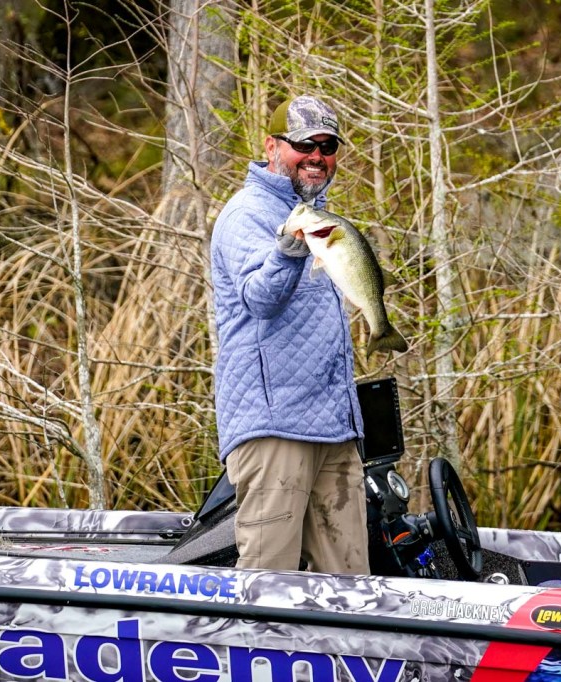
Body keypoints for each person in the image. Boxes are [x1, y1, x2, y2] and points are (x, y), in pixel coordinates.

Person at [209, 94, 369, 574]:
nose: (317, 156)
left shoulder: (319, 215)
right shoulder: (246, 213)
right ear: (272, 147)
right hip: (274, 428)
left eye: (328, 146)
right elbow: (260, 299)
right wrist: (290, 250)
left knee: (352, 585)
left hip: (333, 428)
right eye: (304, 145)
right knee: (268, 581)